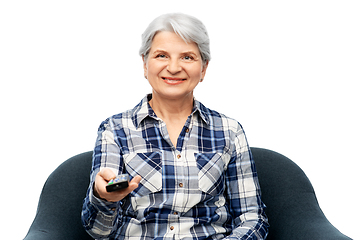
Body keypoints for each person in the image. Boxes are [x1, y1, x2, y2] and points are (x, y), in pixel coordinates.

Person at [81, 13, 269, 239]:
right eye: (161, 55)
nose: (173, 67)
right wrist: (104, 198)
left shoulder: (229, 131)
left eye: (187, 57)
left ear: (204, 68)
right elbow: (98, 232)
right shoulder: (115, 130)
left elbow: (252, 219)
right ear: (145, 63)